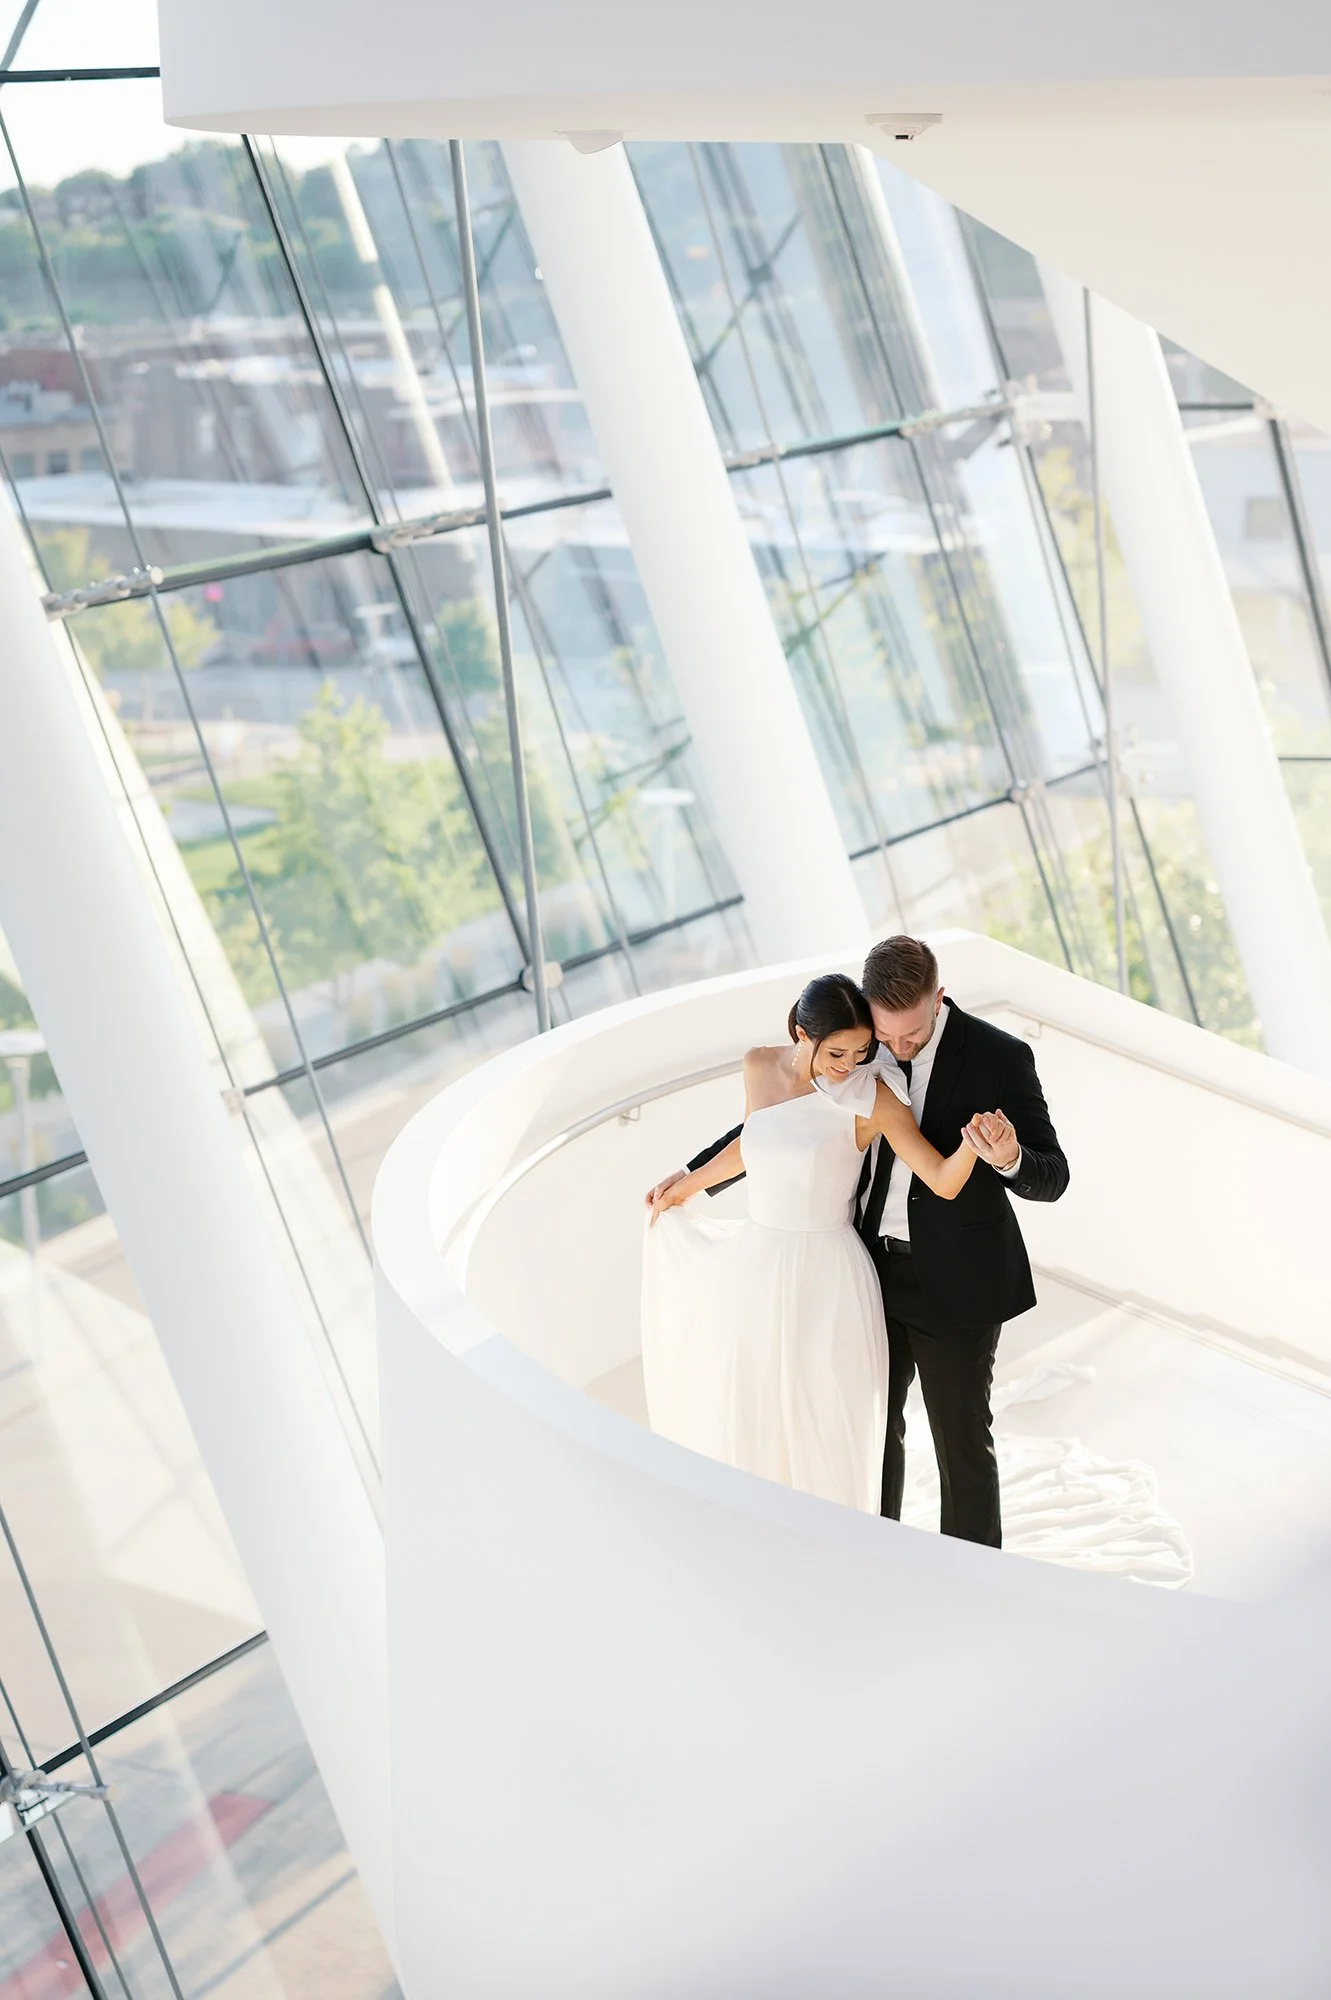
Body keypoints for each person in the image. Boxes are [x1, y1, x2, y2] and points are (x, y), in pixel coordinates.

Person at [649, 937, 1069, 1548]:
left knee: (962, 1444)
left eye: (914, 1036)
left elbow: (1052, 1175)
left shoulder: (1000, 1057)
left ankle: (977, 1581)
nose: (896, 1050)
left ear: (939, 997)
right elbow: (776, 1128)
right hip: (863, 1271)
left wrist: (1007, 1157)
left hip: (959, 1276)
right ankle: (878, 1558)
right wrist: (687, 1180)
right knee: (868, 1431)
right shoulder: (854, 1052)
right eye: (885, 1037)